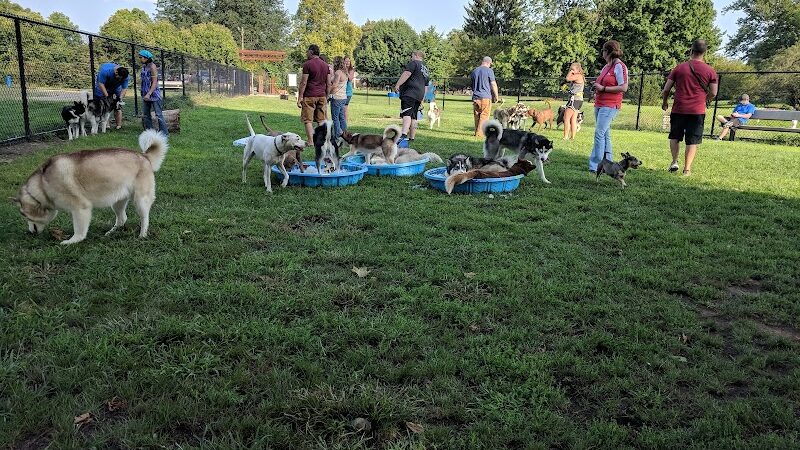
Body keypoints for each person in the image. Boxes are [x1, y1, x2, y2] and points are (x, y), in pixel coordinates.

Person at [661, 39, 718, 176]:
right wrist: (703, 99)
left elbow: (666, 89)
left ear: (691, 51)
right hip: (697, 111)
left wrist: (664, 102)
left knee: (675, 136)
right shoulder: (710, 71)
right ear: (705, 52)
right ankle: (687, 169)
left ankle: (674, 161)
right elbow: (714, 93)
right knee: (692, 140)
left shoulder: (679, 68)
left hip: (679, 108)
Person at [588, 40, 628, 173]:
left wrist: (603, 88)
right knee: (605, 134)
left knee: (599, 133)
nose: (602, 53)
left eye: (603, 51)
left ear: (608, 52)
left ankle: (596, 165)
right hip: (599, 103)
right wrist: (597, 86)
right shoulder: (606, 67)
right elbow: (602, 83)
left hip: (610, 105)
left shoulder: (619, 66)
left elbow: (623, 87)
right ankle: (609, 163)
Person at [394, 50, 430, 145]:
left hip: (410, 93)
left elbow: (407, 74)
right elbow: (426, 86)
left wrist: (398, 84)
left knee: (407, 114)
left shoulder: (414, 63)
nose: (411, 57)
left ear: (416, 55)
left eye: (412, 55)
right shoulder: (425, 69)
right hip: (419, 95)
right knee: (414, 116)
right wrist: (423, 97)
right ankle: (412, 137)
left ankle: (403, 135)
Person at [297, 44, 329, 146]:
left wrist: (300, 97)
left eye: (307, 51)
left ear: (311, 52)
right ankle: (321, 141)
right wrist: (326, 96)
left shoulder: (307, 64)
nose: (306, 53)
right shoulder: (325, 65)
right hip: (322, 95)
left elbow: (304, 82)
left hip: (309, 95)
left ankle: (311, 141)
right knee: (321, 119)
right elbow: (328, 83)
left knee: (308, 120)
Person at [138, 50, 167, 136]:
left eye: (141, 57)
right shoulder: (144, 66)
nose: (139, 59)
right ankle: (149, 133)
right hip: (145, 93)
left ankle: (164, 134)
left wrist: (149, 93)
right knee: (146, 115)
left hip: (153, 94)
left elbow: (154, 82)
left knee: (158, 114)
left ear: (146, 57)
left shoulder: (152, 66)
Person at [470, 56, 500, 138]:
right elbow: (493, 84)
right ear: (488, 63)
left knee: (477, 116)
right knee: (484, 115)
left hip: (476, 97)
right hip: (485, 97)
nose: (490, 65)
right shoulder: (489, 71)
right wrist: (496, 96)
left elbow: (472, 85)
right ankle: (480, 134)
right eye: (490, 64)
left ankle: (476, 131)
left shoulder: (474, 71)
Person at [94, 62, 130, 130]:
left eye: (122, 79)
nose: (120, 80)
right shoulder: (105, 71)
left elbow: (124, 88)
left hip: (116, 87)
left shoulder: (125, 76)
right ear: (116, 73)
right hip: (102, 85)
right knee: (103, 105)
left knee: (118, 106)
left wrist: (120, 98)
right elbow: (101, 84)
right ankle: (106, 125)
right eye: (119, 78)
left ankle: (118, 126)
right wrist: (107, 97)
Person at [563, 62, 585, 141]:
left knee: (566, 118)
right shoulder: (579, 76)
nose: (571, 70)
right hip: (579, 99)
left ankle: (565, 137)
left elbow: (567, 78)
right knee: (573, 119)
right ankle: (572, 137)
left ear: (578, 70)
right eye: (570, 69)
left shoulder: (578, 76)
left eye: (573, 69)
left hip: (574, 99)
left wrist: (570, 72)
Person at [329, 56, 348, 139]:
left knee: (335, 118)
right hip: (343, 97)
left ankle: (338, 135)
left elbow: (335, 85)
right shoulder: (345, 72)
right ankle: (345, 134)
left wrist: (329, 93)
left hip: (337, 97)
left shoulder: (338, 73)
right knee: (342, 117)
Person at [344, 56, 357, 123]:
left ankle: (345, 124)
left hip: (348, 92)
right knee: (341, 109)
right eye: (346, 61)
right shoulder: (341, 70)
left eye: (348, 61)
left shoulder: (351, 70)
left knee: (345, 108)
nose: (347, 62)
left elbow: (350, 79)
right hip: (341, 92)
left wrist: (346, 71)